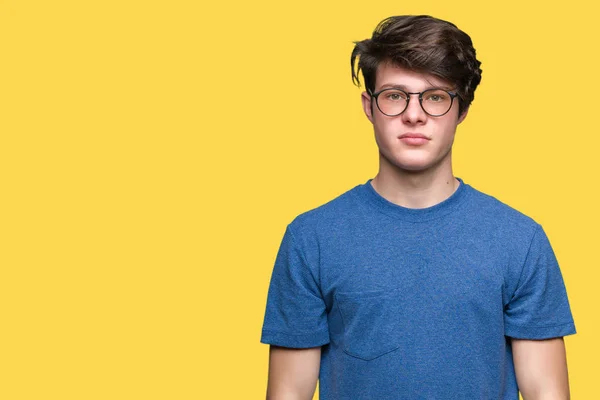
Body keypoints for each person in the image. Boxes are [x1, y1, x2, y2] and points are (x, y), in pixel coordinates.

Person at [260, 15, 576, 400]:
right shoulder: (312, 238)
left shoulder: (520, 240)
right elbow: (288, 392)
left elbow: (546, 391)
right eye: (395, 95)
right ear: (369, 105)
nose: (414, 114)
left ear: (461, 110)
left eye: (435, 97)